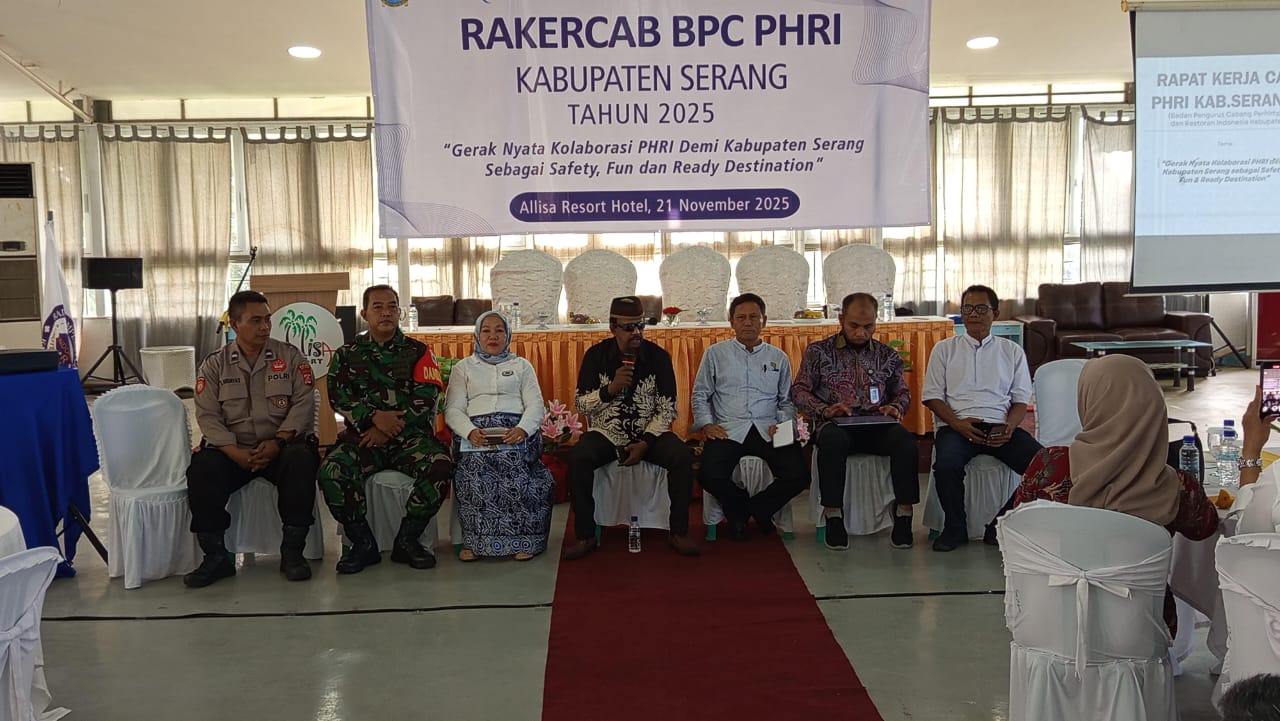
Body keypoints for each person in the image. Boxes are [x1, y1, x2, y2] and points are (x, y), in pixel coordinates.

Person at [1012, 353, 1220, 636]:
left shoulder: (1050, 466)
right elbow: (1206, 528)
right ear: (1154, 406)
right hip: (1142, 626)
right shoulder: (1176, 487)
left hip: (1053, 617)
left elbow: (1020, 527)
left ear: (1089, 403)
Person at [185, 290, 319, 587]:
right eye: (256, 320)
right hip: (233, 452)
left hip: (279, 447)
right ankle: (216, 557)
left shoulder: (290, 357)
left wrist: (279, 442)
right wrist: (234, 451)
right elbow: (207, 415)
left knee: (300, 460)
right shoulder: (214, 364)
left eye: (267, 319)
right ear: (235, 324)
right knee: (202, 469)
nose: (265, 327)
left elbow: (303, 404)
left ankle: (292, 553)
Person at [318, 285, 453, 574]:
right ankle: (363, 543)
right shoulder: (347, 354)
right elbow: (338, 397)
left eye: (392, 306)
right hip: (363, 438)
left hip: (410, 439)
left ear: (400, 312)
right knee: (332, 471)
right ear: (365, 313)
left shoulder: (419, 351)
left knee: (440, 465)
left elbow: (427, 396)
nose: (386, 312)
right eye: (378, 307)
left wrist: (389, 428)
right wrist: (372, 420)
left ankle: (408, 540)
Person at [561, 295, 700, 560]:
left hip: (650, 434)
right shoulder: (596, 356)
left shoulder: (658, 357)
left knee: (682, 456)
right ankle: (585, 535)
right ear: (612, 327)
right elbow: (581, 405)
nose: (636, 332)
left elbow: (667, 408)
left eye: (640, 325)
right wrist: (610, 389)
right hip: (607, 433)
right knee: (579, 457)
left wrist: (646, 442)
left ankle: (679, 532)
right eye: (628, 327)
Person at [791, 292, 918, 551]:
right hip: (835, 424)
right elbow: (799, 391)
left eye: (868, 326)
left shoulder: (887, 355)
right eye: (854, 326)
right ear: (841, 320)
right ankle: (834, 515)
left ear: (876, 321)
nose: (861, 333)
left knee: (905, 441)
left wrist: (895, 407)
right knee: (832, 441)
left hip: (876, 424)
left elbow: (903, 393)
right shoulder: (819, 352)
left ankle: (904, 513)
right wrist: (825, 410)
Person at [922, 284, 1042, 552]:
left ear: (995, 314)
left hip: (1000, 427)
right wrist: (957, 424)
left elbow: (1020, 399)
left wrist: (1009, 428)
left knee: (1045, 468)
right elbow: (931, 396)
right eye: (967, 308)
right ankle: (955, 528)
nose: (973, 314)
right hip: (958, 427)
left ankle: (1000, 524)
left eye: (980, 308)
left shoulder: (1011, 351)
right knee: (946, 466)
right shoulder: (944, 349)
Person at [692, 293, 808, 540]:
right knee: (708, 474)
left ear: (764, 320)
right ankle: (747, 510)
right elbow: (700, 394)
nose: (748, 322)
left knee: (798, 475)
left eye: (754, 317)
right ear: (731, 322)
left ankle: (747, 512)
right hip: (728, 428)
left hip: (769, 429)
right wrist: (707, 424)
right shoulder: (715, 354)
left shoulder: (778, 357)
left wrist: (783, 425)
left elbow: (786, 400)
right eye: (741, 317)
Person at [444, 311, 555, 561]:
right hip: (476, 433)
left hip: (515, 432)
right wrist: (470, 432)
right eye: (486, 330)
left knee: (516, 469)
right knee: (474, 470)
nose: (492, 336)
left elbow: (535, 405)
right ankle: (475, 543)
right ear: (477, 335)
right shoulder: (463, 368)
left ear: (508, 335)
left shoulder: (522, 366)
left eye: (499, 330)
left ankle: (525, 541)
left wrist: (522, 430)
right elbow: (453, 409)